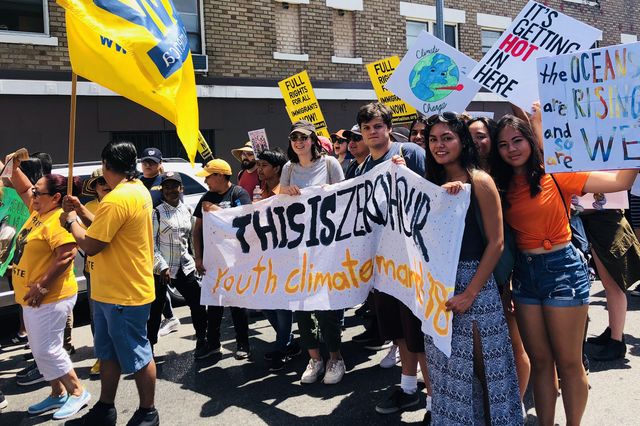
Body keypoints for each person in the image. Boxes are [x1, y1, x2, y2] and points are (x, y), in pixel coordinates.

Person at [491, 114, 638, 426]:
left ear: (530, 141)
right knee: (542, 364)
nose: (511, 149)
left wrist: (635, 138)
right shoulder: (498, 184)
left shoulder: (557, 174)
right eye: (503, 144)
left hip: (563, 271)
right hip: (525, 276)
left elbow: (620, 182)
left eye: (517, 140)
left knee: (569, 363)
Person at [422, 112, 521, 424]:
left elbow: (497, 243)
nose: (440, 145)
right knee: (449, 376)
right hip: (437, 289)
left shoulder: (480, 181)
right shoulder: (429, 183)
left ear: (462, 141)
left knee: (487, 373)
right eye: (433, 139)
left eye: (447, 137)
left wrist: (469, 294)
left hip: (474, 286)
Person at [62, 141, 159, 426]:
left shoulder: (117, 198)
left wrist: (70, 222)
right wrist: (80, 210)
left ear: (106, 165)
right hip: (110, 291)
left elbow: (91, 244)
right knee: (107, 354)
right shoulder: (135, 190)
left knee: (139, 355)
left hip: (123, 292)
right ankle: (106, 407)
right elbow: (106, 227)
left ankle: (148, 412)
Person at [5, 167, 91, 421]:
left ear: (55, 197)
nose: (31, 194)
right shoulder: (37, 212)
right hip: (31, 298)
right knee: (39, 348)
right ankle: (57, 391)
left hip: (51, 297)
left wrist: (41, 285)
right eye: (33, 190)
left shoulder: (59, 218)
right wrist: (9, 165)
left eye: (37, 191)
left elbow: (67, 255)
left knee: (48, 349)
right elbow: (21, 186)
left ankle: (77, 391)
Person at [468, 116, 531, 407]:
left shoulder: (510, 174)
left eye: (482, 135)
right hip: (481, 273)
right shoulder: (465, 175)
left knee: (514, 342)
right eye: (470, 137)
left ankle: (514, 405)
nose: (477, 142)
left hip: (510, 270)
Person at [279, 120, 346, 385]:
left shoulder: (330, 164)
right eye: (294, 137)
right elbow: (279, 198)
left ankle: (335, 358)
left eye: (303, 137)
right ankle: (315, 358)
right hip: (297, 248)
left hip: (325, 247)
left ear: (313, 141)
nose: (299, 142)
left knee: (327, 307)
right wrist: (284, 191)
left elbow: (343, 195)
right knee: (302, 307)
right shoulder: (288, 168)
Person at [150, 171, 223, 361]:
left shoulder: (187, 210)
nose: (171, 190)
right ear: (162, 189)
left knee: (198, 304)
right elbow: (151, 244)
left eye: (175, 186)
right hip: (162, 270)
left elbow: (192, 238)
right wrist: (162, 266)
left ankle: (201, 340)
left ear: (181, 188)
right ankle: (148, 349)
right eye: (167, 187)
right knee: (155, 310)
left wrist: (197, 258)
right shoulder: (156, 213)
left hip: (185, 266)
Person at [193, 158, 252, 359]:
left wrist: (217, 210)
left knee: (237, 303)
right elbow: (197, 229)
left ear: (219, 175)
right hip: (213, 261)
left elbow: (245, 220)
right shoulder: (205, 197)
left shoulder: (239, 193)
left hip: (236, 259)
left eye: (208, 177)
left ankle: (243, 344)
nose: (206, 181)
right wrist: (198, 257)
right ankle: (213, 344)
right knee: (214, 304)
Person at [254, 149, 302, 370]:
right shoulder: (259, 189)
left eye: (264, 165)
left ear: (276, 168)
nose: (259, 169)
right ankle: (288, 341)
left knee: (281, 302)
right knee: (265, 302)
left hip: (285, 255)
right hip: (265, 254)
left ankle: (282, 346)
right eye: (259, 165)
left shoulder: (285, 190)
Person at [67, 168, 112, 377]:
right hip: (93, 268)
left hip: (118, 268)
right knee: (97, 314)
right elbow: (85, 239)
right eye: (98, 182)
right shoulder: (88, 207)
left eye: (106, 180)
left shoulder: (119, 204)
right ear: (93, 187)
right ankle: (102, 355)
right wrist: (70, 220)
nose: (103, 184)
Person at [139, 147, 180, 338]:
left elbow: (176, 204)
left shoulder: (163, 182)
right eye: (145, 161)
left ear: (160, 164)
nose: (148, 165)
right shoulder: (136, 182)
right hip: (140, 237)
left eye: (152, 162)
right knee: (152, 280)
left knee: (159, 280)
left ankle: (169, 317)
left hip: (162, 237)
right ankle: (168, 316)